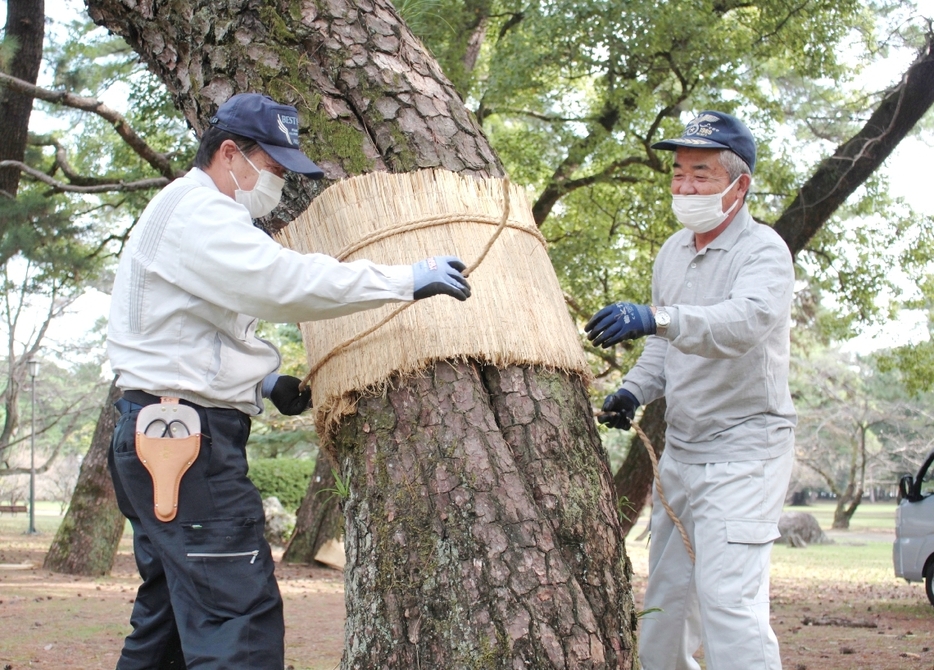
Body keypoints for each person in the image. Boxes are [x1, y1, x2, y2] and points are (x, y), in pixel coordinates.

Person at [106, 92, 472, 669]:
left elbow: (192, 331)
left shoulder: (193, 212)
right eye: (272, 168)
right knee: (239, 621)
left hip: (164, 435)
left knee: (169, 627)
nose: (277, 182)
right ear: (230, 154)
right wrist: (405, 278)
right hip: (184, 445)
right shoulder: (199, 211)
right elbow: (280, 283)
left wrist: (263, 382)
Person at [585, 111, 796, 670]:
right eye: (678, 173)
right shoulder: (673, 252)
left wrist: (656, 316)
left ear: (739, 185)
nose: (684, 186)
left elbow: (742, 323)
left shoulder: (765, 252)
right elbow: (663, 345)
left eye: (701, 174)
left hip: (747, 452)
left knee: (729, 605)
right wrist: (632, 391)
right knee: (667, 607)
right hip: (682, 451)